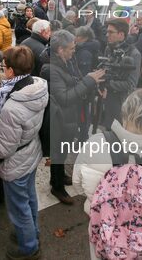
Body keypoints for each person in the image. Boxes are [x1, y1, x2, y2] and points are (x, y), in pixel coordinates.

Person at [73, 89, 142, 260]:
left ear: (124, 111)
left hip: (103, 236)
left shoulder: (95, 143)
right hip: (141, 246)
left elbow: (78, 185)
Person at [0, 46, 48, 260]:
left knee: (19, 208)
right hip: (30, 152)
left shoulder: (12, 109)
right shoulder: (34, 85)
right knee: (30, 198)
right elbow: (11, 96)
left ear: (11, 72)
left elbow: (2, 148)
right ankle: (33, 234)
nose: (3, 70)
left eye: (4, 67)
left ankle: (28, 247)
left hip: (16, 162)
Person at [47, 30, 105, 204]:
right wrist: (88, 81)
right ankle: (57, 187)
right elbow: (64, 98)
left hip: (68, 118)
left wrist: (90, 82)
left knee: (62, 152)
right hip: (59, 120)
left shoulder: (66, 62)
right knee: (57, 153)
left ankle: (58, 176)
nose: (74, 51)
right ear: (60, 50)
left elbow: (75, 82)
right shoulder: (52, 68)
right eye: (71, 48)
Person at [100, 19, 141, 129]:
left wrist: (108, 83)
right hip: (106, 100)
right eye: (107, 31)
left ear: (121, 34)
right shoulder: (109, 48)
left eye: (111, 32)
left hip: (121, 103)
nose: (107, 35)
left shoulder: (134, 54)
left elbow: (131, 84)